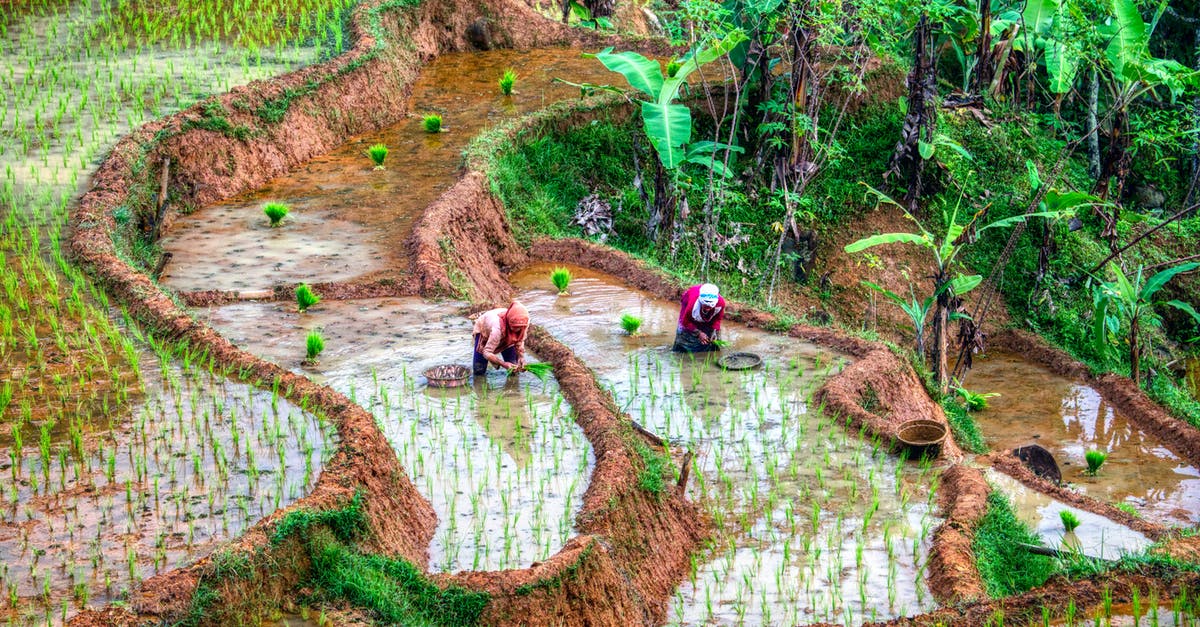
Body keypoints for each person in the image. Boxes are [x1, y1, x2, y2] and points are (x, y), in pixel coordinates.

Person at [473, 301, 529, 375]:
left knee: (514, 369)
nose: (516, 330)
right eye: (514, 327)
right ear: (509, 322)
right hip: (485, 330)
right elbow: (486, 352)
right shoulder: (497, 328)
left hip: (505, 335)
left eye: (519, 328)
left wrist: (521, 357)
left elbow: (520, 341)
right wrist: (503, 363)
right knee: (479, 369)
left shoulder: (524, 322)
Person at [673, 283, 726, 353]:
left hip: (706, 311)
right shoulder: (692, 304)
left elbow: (717, 319)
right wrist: (698, 333)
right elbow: (685, 321)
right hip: (689, 301)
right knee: (684, 333)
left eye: (710, 307)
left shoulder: (721, 303)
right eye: (705, 306)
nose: (707, 309)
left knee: (712, 340)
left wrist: (714, 331)